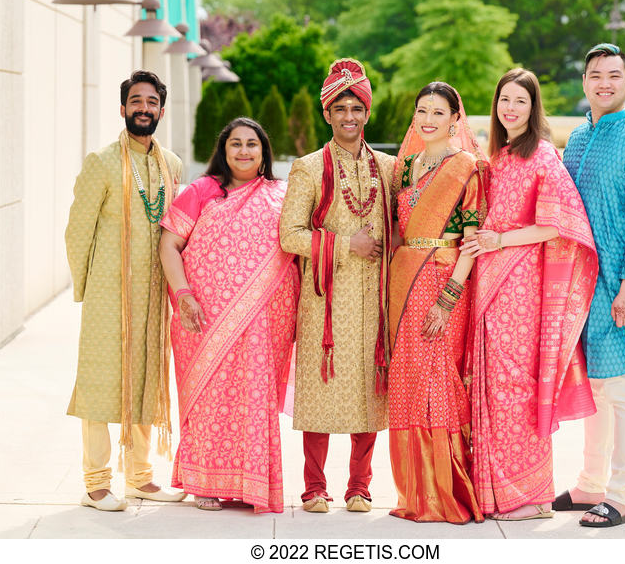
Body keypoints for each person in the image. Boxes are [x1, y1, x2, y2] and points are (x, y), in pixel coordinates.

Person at [460, 68, 599, 521]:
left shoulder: (541, 155)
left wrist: (501, 240)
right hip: (488, 281)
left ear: (533, 107)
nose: (511, 108)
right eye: (504, 100)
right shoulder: (496, 155)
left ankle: (533, 497)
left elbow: (560, 223)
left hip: (519, 284)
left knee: (516, 385)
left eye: (520, 101)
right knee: (491, 384)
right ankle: (499, 491)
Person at [158, 117, 299, 513]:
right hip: (203, 316)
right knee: (209, 397)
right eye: (235, 143)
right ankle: (204, 482)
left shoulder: (280, 194)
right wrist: (184, 295)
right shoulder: (202, 191)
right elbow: (169, 245)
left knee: (252, 399)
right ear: (223, 149)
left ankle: (248, 484)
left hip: (263, 319)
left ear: (264, 151)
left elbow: (294, 250)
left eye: (252, 144)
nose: (243, 151)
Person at [65, 69, 186, 511]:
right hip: (107, 295)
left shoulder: (170, 164)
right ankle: (96, 482)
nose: (143, 108)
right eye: (136, 101)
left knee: (145, 381)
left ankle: (140, 476)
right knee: (100, 383)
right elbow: (78, 230)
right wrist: (87, 287)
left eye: (151, 102)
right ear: (123, 108)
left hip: (153, 298)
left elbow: (177, 229)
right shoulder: (100, 162)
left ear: (161, 110)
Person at [279, 58, 395, 513]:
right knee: (323, 390)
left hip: (376, 299)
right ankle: (313, 487)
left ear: (367, 113)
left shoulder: (388, 166)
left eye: (357, 108)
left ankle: (360, 486)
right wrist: (347, 245)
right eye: (340, 108)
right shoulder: (308, 168)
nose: (349, 116)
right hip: (326, 300)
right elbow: (290, 234)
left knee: (370, 389)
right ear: (326, 114)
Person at [556, 43, 625, 528]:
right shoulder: (577, 138)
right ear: (584, 82)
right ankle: (590, 484)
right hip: (576, 285)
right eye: (596, 75)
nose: (604, 83)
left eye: (614, 75)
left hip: (615, 284)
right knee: (594, 387)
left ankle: (621, 495)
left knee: (622, 389)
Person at [387, 82, 486, 524]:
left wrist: (449, 299)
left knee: (439, 380)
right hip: (403, 280)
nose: (428, 119)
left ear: (454, 119)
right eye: (422, 110)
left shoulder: (468, 167)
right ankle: (415, 493)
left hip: (445, 279)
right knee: (409, 381)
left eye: (438, 112)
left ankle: (445, 493)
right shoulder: (405, 168)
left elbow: (472, 240)